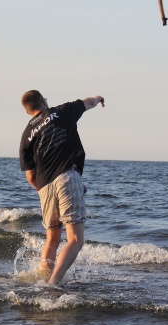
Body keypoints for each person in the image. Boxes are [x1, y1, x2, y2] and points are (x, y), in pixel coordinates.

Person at [19, 90, 105, 285]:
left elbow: (30, 176)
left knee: (52, 239)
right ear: (43, 101)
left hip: (44, 186)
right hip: (66, 176)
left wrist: (43, 191)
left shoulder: (26, 136)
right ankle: (53, 284)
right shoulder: (61, 111)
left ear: (28, 112)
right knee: (75, 239)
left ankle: (44, 277)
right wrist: (98, 98)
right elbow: (87, 102)